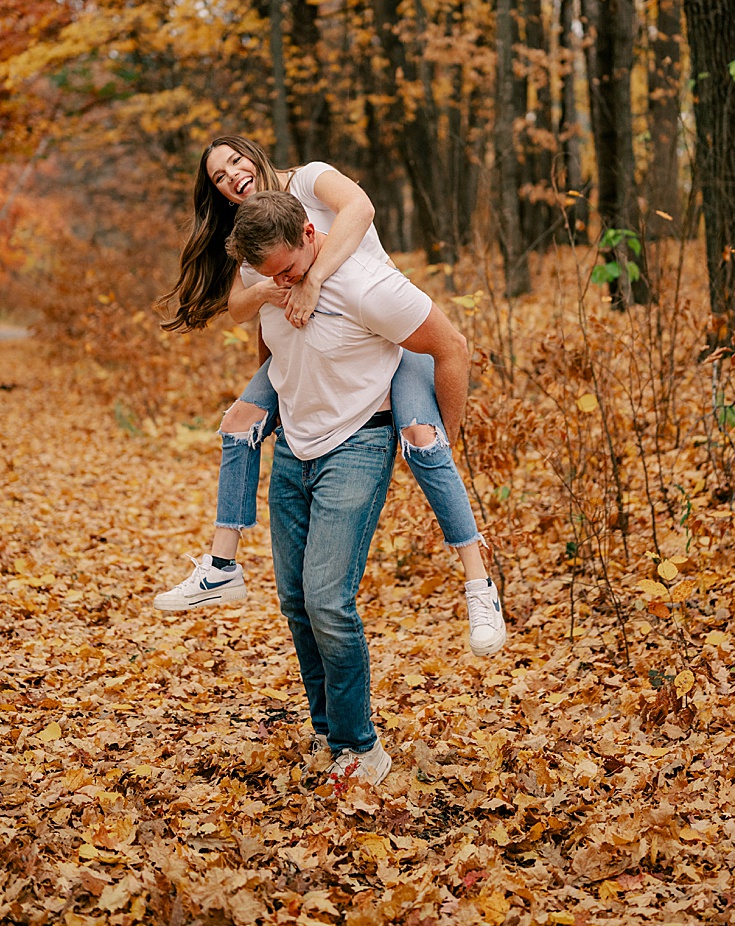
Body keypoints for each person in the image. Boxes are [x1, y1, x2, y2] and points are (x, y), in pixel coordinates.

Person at [157, 137, 506, 657]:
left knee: (424, 439)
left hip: (384, 329)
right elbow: (250, 315)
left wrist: (312, 279)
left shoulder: (308, 180)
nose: (231, 176)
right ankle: (221, 566)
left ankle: (479, 585)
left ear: (253, 153)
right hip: (312, 353)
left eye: (235, 161)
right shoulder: (254, 236)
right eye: (218, 177)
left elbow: (360, 206)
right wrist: (274, 339)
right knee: (239, 421)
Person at [226, 189, 496, 781]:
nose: (283, 285)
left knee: (327, 598)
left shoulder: (367, 287)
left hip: (358, 443)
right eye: (269, 277)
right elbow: (269, 345)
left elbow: (451, 348)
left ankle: (361, 746)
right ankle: (329, 730)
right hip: (295, 447)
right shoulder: (269, 279)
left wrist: (443, 440)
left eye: (290, 271)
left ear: (311, 236)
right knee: (297, 601)